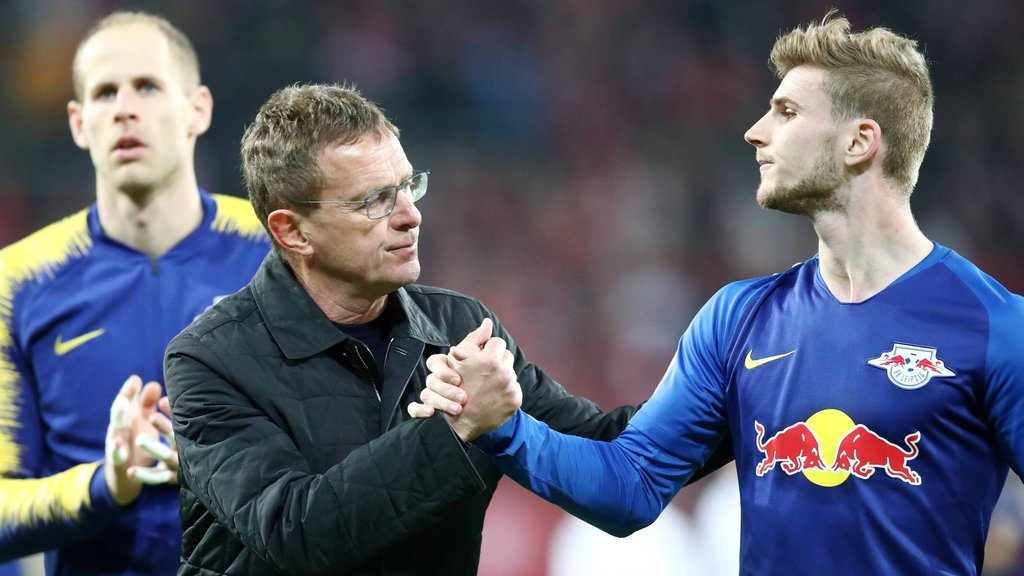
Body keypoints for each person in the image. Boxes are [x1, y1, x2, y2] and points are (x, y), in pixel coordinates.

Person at [412, 12, 1024, 575]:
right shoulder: (738, 319)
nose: (756, 132)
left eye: (786, 113)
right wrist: (505, 427)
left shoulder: (994, 326)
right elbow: (632, 485)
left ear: (859, 142)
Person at [163, 82, 731, 576]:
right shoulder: (209, 361)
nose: (410, 213)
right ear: (293, 231)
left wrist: (755, 397)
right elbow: (298, 534)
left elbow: (607, 449)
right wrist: (455, 429)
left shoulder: (458, 327)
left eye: (410, 186)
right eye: (375, 200)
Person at [0, 11, 270, 575]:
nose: (124, 107)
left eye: (147, 86)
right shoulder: (17, 282)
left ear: (198, 108)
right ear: (78, 123)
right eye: (103, 93)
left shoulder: (281, 253)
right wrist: (109, 480)